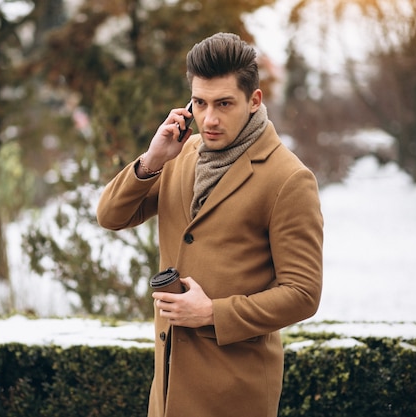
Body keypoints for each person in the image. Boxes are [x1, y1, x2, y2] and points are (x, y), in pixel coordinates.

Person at [97, 32, 323, 417]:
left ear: (254, 101)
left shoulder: (289, 179)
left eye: (224, 104)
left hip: (236, 395)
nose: (209, 119)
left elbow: (303, 293)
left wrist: (212, 313)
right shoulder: (178, 156)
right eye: (199, 103)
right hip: (168, 392)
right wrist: (152, 159)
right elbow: (111, 216)